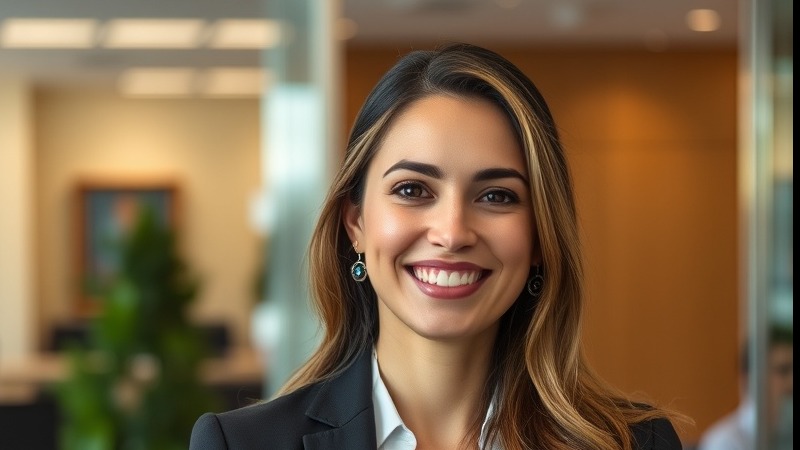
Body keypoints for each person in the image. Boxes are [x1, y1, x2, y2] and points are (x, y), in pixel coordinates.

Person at [190, 42, 685, 450]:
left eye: (496, 196)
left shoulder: (637, 444)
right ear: (356, 223)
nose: (452, 233)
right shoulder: (242, 444)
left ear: (540, 237)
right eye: (412, 190)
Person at [698, 326, 793, 450]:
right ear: (751, 377)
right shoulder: (724, 443)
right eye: (783, 370)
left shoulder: (786, 430)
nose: (791, 381)